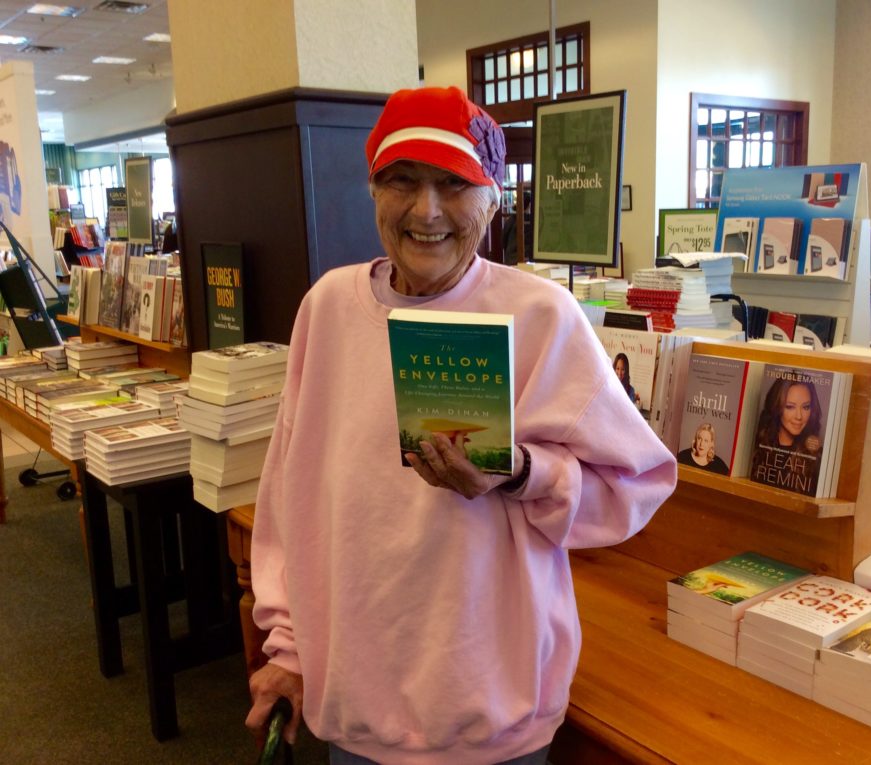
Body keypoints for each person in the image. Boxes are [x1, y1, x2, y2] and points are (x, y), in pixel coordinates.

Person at [244, 86, 678, 765]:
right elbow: (289, 498)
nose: (427, 210)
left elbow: (637, 484)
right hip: (358, 703)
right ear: (372, 189)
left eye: (454, 184)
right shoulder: (327, 308)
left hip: (492, 710)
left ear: (494, 200)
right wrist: (289, 646)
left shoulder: (541, 315)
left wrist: (521, 474)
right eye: (402, 181)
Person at [748, 373, 823, 493]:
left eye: (806, 407)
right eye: (790, 407)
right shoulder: (757, 446)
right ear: (776, 407)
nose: (799, 416)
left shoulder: (817, 459)